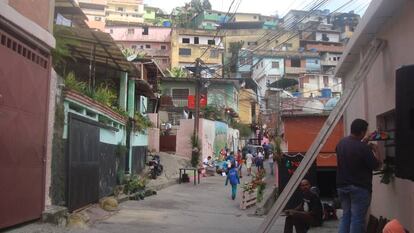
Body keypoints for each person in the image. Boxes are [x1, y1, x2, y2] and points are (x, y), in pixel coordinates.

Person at [336, 119, 381, 233]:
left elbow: (352, 153)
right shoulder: (363, 148)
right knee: (357, 219)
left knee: (346, 216)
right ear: (362, 132)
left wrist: (363, 142)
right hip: (359, 188)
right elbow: (376, 166)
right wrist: (377, 151)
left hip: (342, 186)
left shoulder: (341, 143)